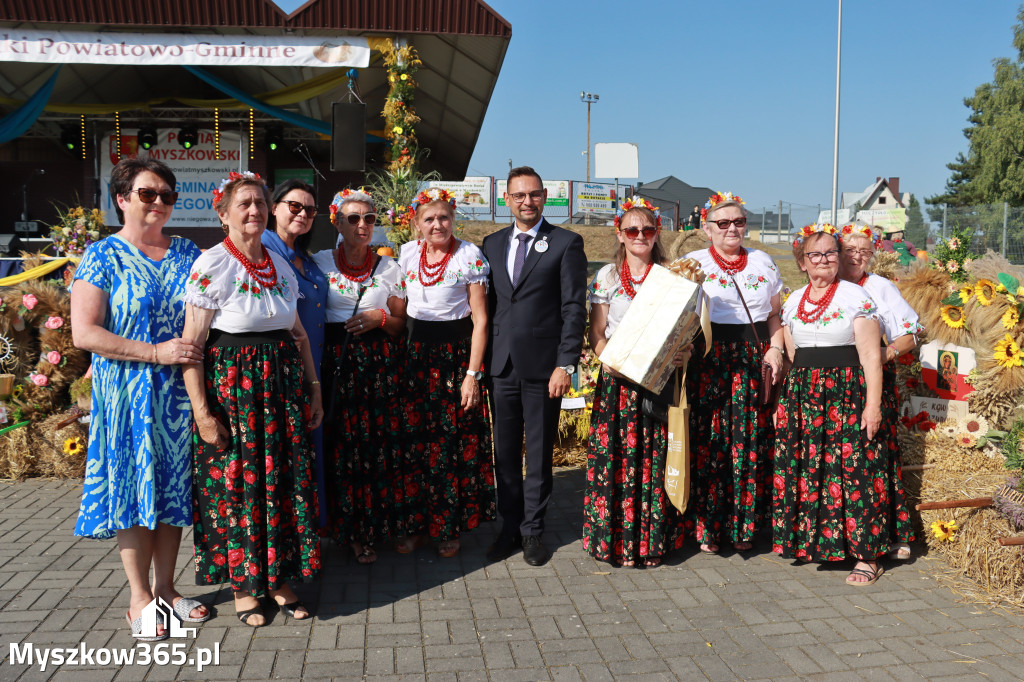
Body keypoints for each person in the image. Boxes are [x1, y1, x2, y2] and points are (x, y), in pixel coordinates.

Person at [71, 157, 210, 640]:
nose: (159, 203)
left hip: (178, 396)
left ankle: (168, 589)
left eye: (167, 195)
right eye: (148, 193)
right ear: (122, 199)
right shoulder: (102, 255)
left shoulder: (189, 252)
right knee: (134, 493)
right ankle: (139, 599)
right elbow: (84, 333)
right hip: (127, 397)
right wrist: (154, 352)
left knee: (173, 492)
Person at [182, 171, 324, 626]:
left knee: (282, 482)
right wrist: (203, 414)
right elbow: (192, 347)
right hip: (235, 392)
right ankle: (245, 586)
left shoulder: (281, 265)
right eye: (244, 203)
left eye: (260, 203)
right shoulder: (210, 264)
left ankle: (279, 578)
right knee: (240, 486)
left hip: (281, 391)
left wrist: (314, 389)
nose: (254, 210)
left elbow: (297, 333)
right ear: (222, 213)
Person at [481, 166, 588, 566]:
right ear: (506, 200)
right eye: (519, 195)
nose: (527, 202)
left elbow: (574, 308)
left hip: (545, 368)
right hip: (501, 365)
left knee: (540, 453)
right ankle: (508, 527)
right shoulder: (490, 244)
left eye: (535, 194)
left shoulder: (565, 243)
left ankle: (532, 531)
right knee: (504, 452)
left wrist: (567, 364)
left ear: (545, 197)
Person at [773, 223, 889, 586]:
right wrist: (784, 398)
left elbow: (871, 355)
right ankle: (817, 542)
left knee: (855, 470)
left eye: (830, 253)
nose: (823, 260)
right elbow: (792, 353)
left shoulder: (856, 296)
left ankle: (867, 557)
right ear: (803, 262)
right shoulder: (793, 301)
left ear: (839, 258)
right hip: (804, 397)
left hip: (846, 393)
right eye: (815, 254)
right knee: (811, 469)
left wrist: (873, 405)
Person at [583, 197, 687, 567]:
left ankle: (650, 543)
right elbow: (597, 332)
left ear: (657, 233)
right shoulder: (606, 277)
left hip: (658, 379)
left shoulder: (672, 275)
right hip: (618, 382)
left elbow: (685, 330)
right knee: (617, 460)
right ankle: (616, 542)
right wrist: (608, 360)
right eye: (632, 229)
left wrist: (683, 354)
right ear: (620, 234)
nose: (640, 235)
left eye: (647, 229)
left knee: (655, 461)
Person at [395, 188, 494, 558]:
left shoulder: (468, 255)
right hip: (416, 355)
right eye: (429, 219)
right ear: (417, 224)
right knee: (416, 441)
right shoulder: (406, 254)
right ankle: (417, 525)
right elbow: (400, 306)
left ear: (453, 219)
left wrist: (472, 374)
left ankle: (448, 526)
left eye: (444, 217)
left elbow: (481, 320)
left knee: (449, 443)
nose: (438, 225)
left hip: (455, 356)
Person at [684, 192, 784, 554]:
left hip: (751, 357)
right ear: (707, 229)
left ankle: (743, 526)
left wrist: (775, 347)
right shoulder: (692, 262)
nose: (731, 229)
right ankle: (708, 526)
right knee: (709, 441)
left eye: (738, 222)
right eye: (723, 223)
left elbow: (775, 314)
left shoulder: (763, 262)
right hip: (707, 357)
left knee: (747, 441)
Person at [314, 189, 407, 564]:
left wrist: (379, 318)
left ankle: (376, 525)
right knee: (341, 449)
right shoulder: (319, 263)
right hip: (334, 365)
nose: (362, 225)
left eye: (369, 218)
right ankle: (348, 530)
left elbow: (401, 326)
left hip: (378, 367)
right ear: (337, 222)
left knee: (376, 448)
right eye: (353, 218)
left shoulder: (390, 268)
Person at [839, 222, 921, 561]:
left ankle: (890, 532)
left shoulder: (880, 287)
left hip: (871, 382)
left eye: (865, 251)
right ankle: (840, 532)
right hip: (833, 386)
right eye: (850, 250)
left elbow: (914, 332)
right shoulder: (825, 285)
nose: (858, 256)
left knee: (873, 458)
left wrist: (885, 354)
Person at [262, 179, 328, 526]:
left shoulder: (306, 257)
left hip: (314, 371)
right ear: (274, 208)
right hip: (280, 374)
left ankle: (310, 536)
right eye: (294, 206)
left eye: (310, 209)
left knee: (308, 454)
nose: (302, 214)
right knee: (285, 460)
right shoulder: (262, 252)